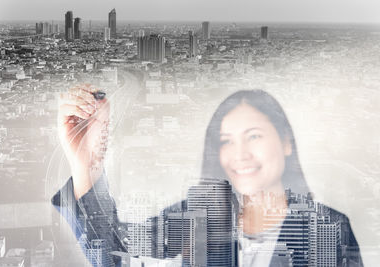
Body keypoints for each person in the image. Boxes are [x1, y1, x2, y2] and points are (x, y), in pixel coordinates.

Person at [52, 87, 364, 267]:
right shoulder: (198, 217)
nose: (239, 153)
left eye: (253, 136)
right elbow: (115, 253)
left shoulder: (330, 230)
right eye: (226, 141)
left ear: (286, 142)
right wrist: (86, 163)